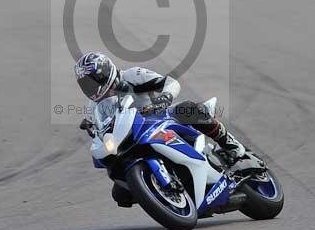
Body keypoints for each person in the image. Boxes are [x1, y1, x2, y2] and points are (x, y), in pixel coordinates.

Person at [74, 51, 247, 164]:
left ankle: (232, 146)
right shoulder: (95, 105)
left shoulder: (132, 75)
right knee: (119, 193)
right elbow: (95, 127)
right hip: (132, 137)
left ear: (104, 72)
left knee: (188, 108)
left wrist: (165, 97)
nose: (91, 87)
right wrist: (91, 128)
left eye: (93, 81)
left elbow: (171, 83)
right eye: (86, 84)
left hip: (158, 118)